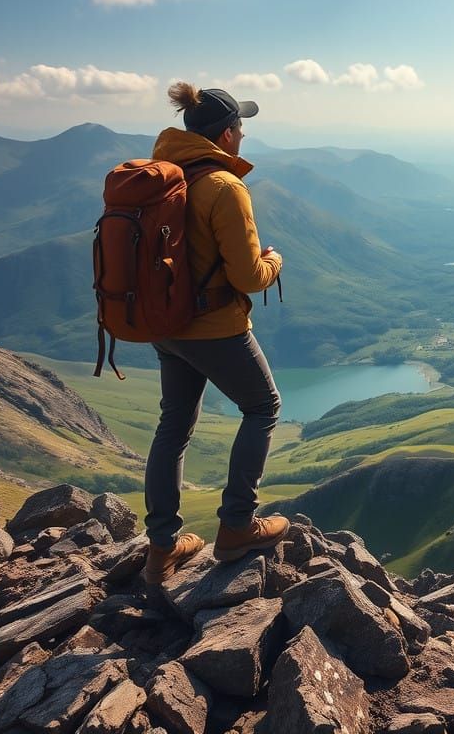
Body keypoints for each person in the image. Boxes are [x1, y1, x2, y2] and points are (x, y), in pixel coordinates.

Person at [143, 82, 289, 584]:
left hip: (165, 324)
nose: (244, 135)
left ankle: (161, 549)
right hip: (213, 326)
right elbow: (248, 277)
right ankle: (238, 527)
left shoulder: (165, 176)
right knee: (263, 406)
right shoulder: (224, 187)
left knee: (174, 425)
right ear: (227, 134)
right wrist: (273, 263)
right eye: (241, 127)